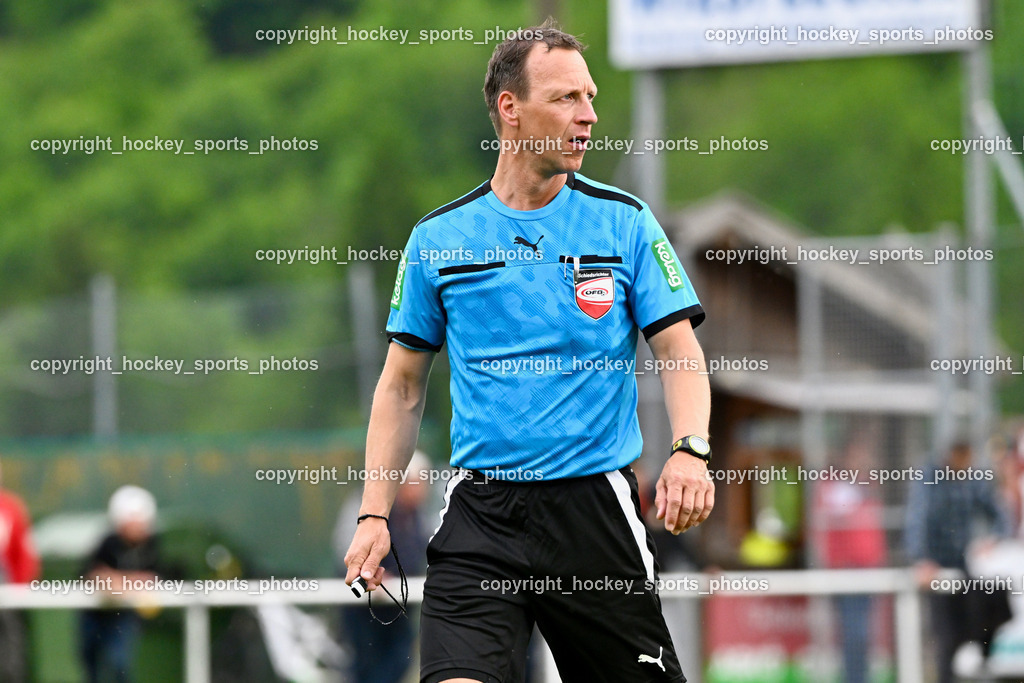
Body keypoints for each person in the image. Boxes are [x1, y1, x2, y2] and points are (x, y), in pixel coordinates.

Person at [343, 19, 713, 683]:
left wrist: (690, 446)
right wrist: (375, 512)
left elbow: (679, 350)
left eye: (591, 97)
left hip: (593, 514)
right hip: (483, 516)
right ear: (510, 109)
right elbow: (400, 386)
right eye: (567, 98)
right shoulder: (438, 239)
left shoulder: (623, 222)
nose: (589, 116)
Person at [905, 441, 1011, 683]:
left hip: (962, 569)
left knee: (986, 616)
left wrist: (993, 539)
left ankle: (982, 666)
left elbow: (1000, 514)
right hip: (937, 572)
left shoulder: (972, 480)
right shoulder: (929, 480)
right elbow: (917, 520)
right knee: (946, 635)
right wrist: (922, 560)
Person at [334, 450, 432, 683]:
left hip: (396, 607)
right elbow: (346, 548)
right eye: (416, 483)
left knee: (400, 659)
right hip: (361, 603)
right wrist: (369, 570)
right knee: (364, 664)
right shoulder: (366, 508)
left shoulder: (421, 518)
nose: (421, 490)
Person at [812, 438, 887, 683]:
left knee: (865, 635)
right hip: (846, 570)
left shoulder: (866, 486)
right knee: (854, 633)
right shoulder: (834, 487)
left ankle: (861, 677)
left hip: (868, 569)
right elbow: (836, 513)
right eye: (858, 457)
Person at [79, 485, 162, 683]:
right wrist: (121, 582)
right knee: (91, 665)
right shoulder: (107, 543)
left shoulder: (152, 546)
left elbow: (153, 577)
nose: (138, 525)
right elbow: (96, 575)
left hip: (123, 617)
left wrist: (120, 582)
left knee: (119, 664)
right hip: (94, 615)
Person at [0, 457, 41, 683]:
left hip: (6, 592)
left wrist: (19, 589)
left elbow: (25, 554)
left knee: (12, 656)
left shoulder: (11, 507)